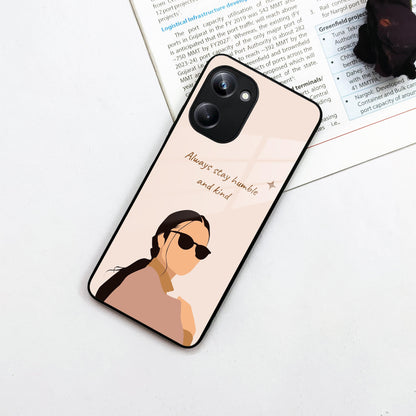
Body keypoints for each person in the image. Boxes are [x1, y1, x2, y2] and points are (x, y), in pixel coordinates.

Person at [95, 210, 211, 346]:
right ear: (161, 239)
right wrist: (187, 332)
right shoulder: (144, 281)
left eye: (201, 251)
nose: (192, 253)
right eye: (185, 242)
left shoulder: (145, 277)